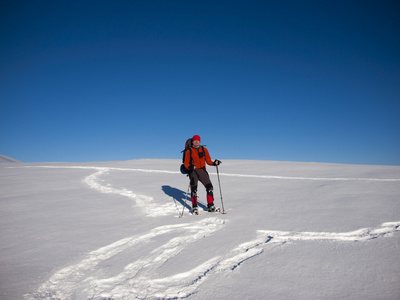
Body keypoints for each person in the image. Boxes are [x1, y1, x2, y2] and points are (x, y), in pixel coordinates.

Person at [183, 135, 221, 214]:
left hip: (202, 171)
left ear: (200, 141)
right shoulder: (189, 151)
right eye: (195, 140)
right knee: (194, 190)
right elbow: (185, 163)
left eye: (198, 140)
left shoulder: (204, 150)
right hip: (193, 172)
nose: (196, 142)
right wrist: (190, 167)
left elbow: (208, 161)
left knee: (209, 187)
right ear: (192, 141)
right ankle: (194, 207)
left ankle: (210, 206)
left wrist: (214, 163)